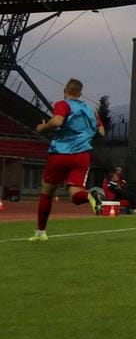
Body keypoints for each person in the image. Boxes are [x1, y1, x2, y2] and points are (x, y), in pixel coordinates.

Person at [29, 78, 106, 241]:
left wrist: (42, 127)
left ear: (65, 91)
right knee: (76, 194)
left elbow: (57, 121)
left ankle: (41, 232)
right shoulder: (91, 110)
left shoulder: (63, 104)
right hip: (82, 155)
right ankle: (90, 196)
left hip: (60, 153)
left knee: (47, 192)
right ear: (81, 94)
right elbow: (101, 132)